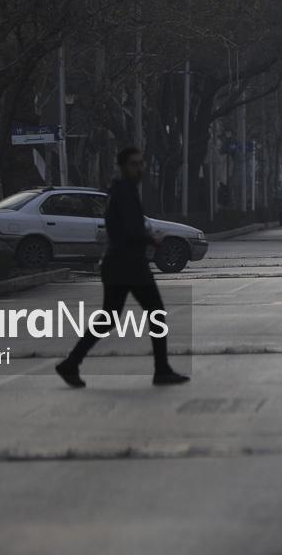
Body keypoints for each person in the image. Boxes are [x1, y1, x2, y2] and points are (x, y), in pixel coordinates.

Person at [56, 146, 188, 388]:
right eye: (134, 164)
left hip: (119, 263)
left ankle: (71, 363)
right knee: (154, 313)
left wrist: (146, 237)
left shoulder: (122, 191)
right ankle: (161, 370)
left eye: (141, 163)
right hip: (128, 264)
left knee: (110, 317)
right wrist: (152, 239)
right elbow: (130, 230)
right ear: (123, 167)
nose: (139, 169)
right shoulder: (124, 193)